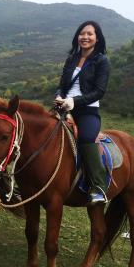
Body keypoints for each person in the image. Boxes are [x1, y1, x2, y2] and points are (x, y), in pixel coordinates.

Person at [55, 20, 110, 205]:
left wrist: (74, 101)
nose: (85, 37)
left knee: (86, 138)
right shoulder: (71, 58)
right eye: (82, 33)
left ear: (97, 38)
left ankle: (99, 187)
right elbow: (62, 85)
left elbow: (99, 91)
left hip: (88, 110)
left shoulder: (101, 60)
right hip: (63, 107)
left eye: (89, 34)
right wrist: (59, 97)